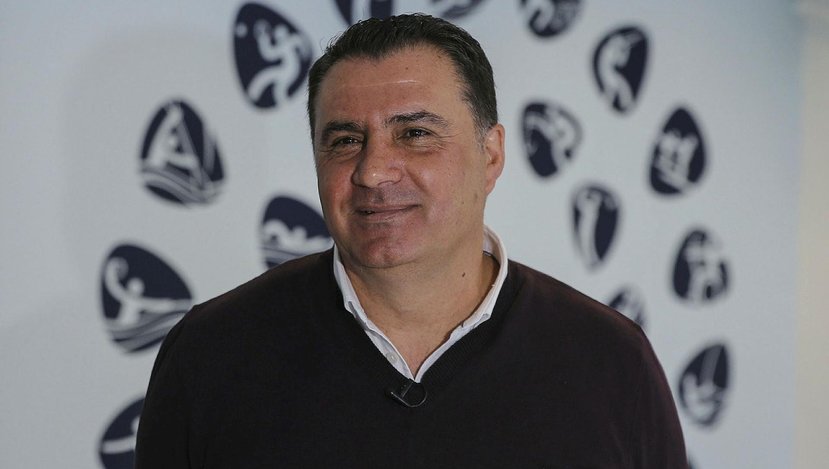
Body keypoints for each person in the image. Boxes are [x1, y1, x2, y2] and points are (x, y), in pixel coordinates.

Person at [135, 13, 687, 468]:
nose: (373, 171)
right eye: (345, 140)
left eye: (415, 134)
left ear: (491, 155)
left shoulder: (611, 361)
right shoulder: (210, 354)